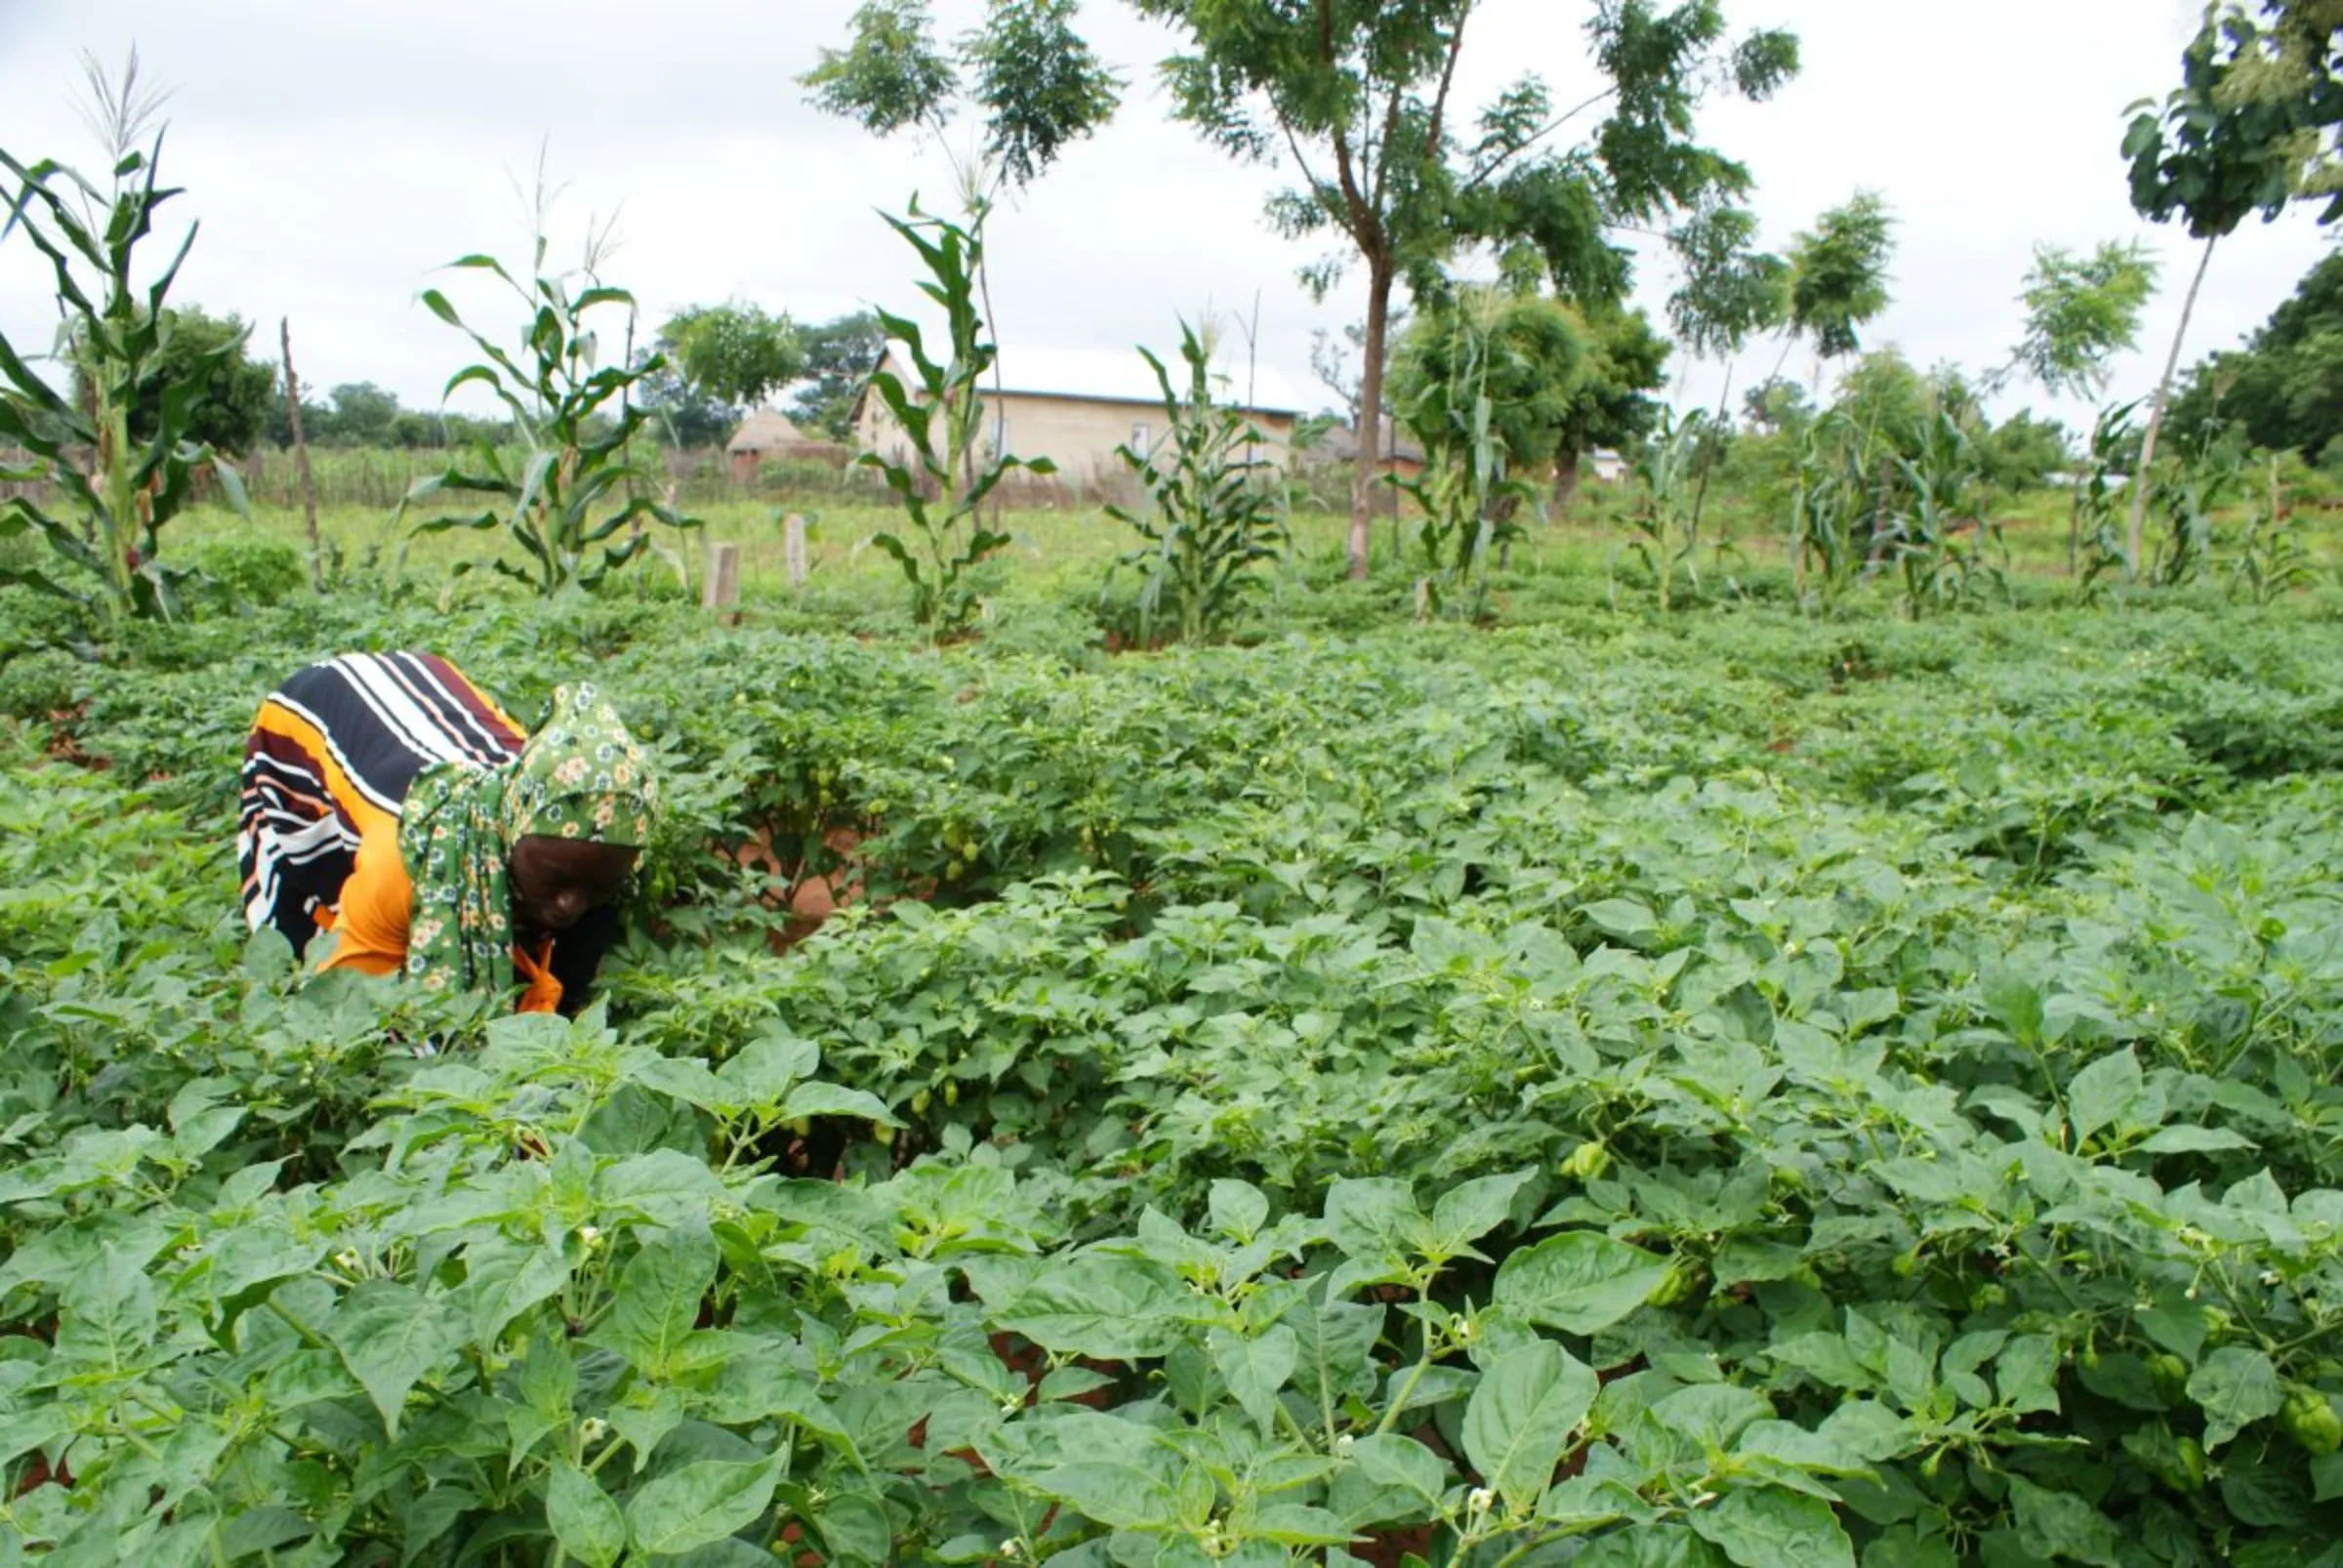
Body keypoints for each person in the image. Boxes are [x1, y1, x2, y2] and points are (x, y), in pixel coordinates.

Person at [237, 651, 655, 1015]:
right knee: (316, 921)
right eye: (554, 878)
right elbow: (340, 1007)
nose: (569, 904)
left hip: (431, 694)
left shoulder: (600, 831)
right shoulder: (403, 865)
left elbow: (575, 956)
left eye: (596, 886)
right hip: (310, 713)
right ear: (507, 832)